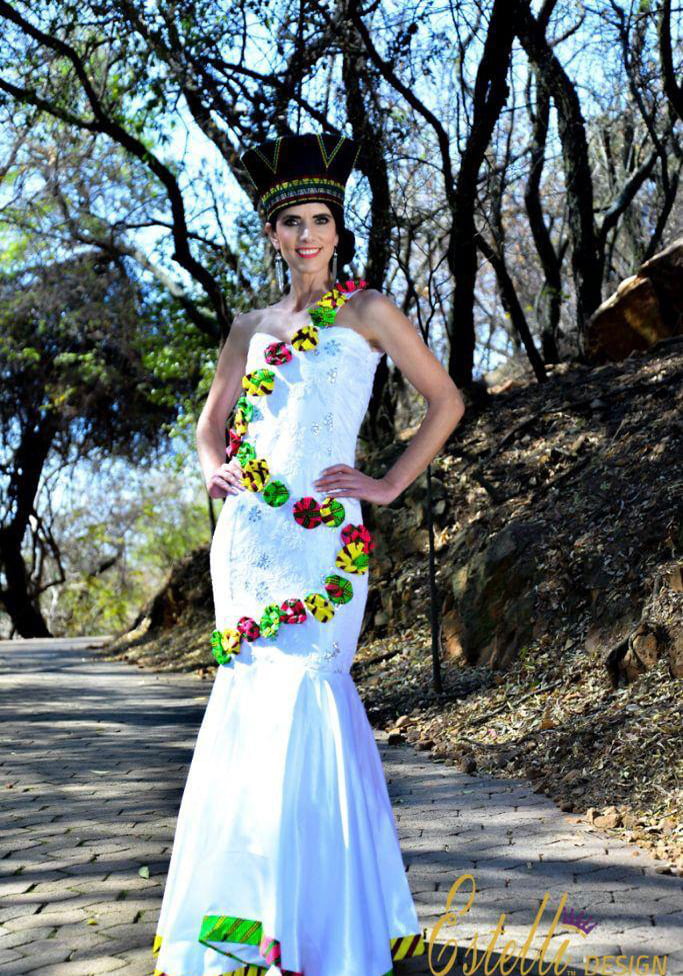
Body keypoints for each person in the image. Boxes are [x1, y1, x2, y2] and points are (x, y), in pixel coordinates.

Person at [151, 132, 465, 976]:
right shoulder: (248, 327)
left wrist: (388, 483)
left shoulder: (369, 312)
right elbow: (210, 425)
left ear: (337, 227)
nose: (306, 235)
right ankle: (248, 926)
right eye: (291, 222)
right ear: (271, 233)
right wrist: (215, 471)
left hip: (323, 538)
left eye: (319, 220)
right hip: (248, 540)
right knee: (252, 706)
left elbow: (445, 399)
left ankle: (323, 929)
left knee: (310, 693)